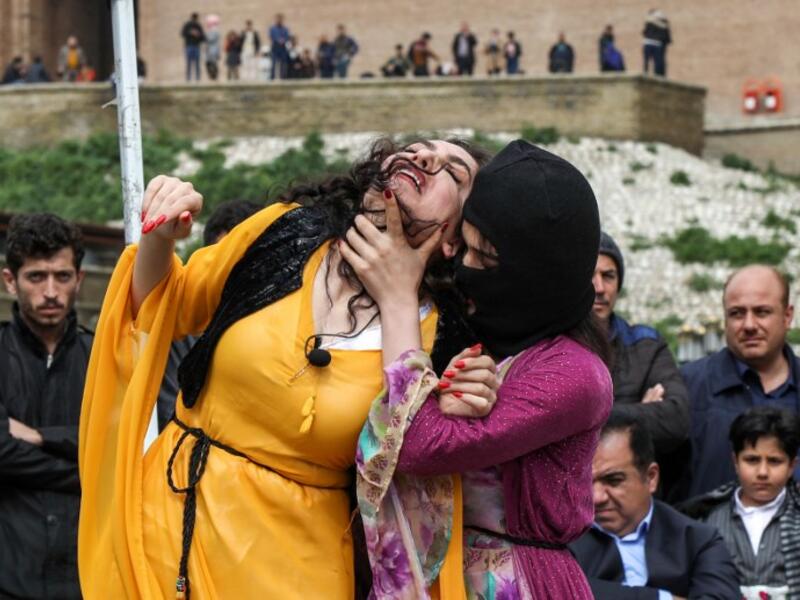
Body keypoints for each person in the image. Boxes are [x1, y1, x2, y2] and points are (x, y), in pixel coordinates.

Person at [78, 136, 492, 599]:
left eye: (453, 173)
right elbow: (160, 310)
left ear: (456, 239)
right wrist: (158, 236)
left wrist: (401, 301)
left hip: (292, 567)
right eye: (417, 147)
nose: (425, 157)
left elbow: (410, 467)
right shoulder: (286, 231)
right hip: (164, 522)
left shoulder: (445, 337)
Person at [353, 140, 615, 598]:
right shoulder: (491, 347)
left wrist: (398, 298)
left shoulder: (575, 375)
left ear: (537, 274)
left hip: (516, 583)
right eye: (465, 249)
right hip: (449, 577)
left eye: (485, 259)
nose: (465, 269)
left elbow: (419, 445)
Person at [0, 213, 93, 599]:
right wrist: (84, 471)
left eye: (62, 276)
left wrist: (38, 436)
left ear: (79, 280)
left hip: (85, 576)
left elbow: (119, 447)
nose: (51, 291)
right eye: (36, 277)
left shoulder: (103, 358)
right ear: (10, 280)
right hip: (10, 573)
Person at [570, 413, 740, 599]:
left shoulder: (697, 541)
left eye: (613, 480)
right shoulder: (562, 539)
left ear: (651, 477)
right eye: (585, 482)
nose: (597, 497)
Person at [682, 265, 800, 499]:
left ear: (787, 316)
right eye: (737, 313)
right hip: (708, 533)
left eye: (762, 312)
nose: (748, 325)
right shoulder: (687, 386)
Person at [593, 232, 689, 497]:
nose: (599, 288)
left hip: (632, 503)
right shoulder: (553, 346)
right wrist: (639, 413)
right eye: (590, 275)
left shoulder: (647, 345)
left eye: (608, 276)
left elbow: (675, 420)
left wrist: (587, 417)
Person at [157, 200, 263, 432]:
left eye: (247, 263)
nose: (236, 277)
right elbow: (173, 418)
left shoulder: (291, 329)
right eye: (224, 263)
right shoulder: (183, 335)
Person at [682, 407, 800, 599]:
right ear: (735, 462)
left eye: (774, 461)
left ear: (791, 466)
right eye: (752, 460)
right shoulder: (705, 519)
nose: (762, 472)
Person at [643, 9, 672, 76]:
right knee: (657, 63)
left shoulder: (649, 21)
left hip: (652, 43)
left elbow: (644, 32)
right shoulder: (663, 24)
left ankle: (648, 74)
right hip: (657, 44)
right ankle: (655, 75)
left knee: (650, 62)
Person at [180, 13, 205, 81]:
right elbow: (182, 33)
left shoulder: (198, 26)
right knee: (189, 63)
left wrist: (198, 35)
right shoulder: (187, 25)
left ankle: (197, 79)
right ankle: (188, 79)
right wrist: (191, 32)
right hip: (189, 46)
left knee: (196, 63)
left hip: (196, 46)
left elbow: (203, 37)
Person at [269, 13, 290, 80]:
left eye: (280, 19)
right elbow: (271, 36)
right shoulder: (272, 28)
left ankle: (282, 77)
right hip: (275, 47)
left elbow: (287, 37)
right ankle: (272, 77)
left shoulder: (285, 29)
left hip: (283, 48)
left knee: (283, 64)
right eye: (278, 19)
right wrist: (278, 40)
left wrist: (283, 40)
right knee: (273, 63)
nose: (279, 20)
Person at [204, 14, 221, 81]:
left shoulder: (215, 31)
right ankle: (211, 76)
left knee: (213, 64)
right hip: (209, 50)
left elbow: (210, 39)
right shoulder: (209, 31)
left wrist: (205, 37)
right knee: (208, 63)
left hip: (213, 50)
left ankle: (214, 76)